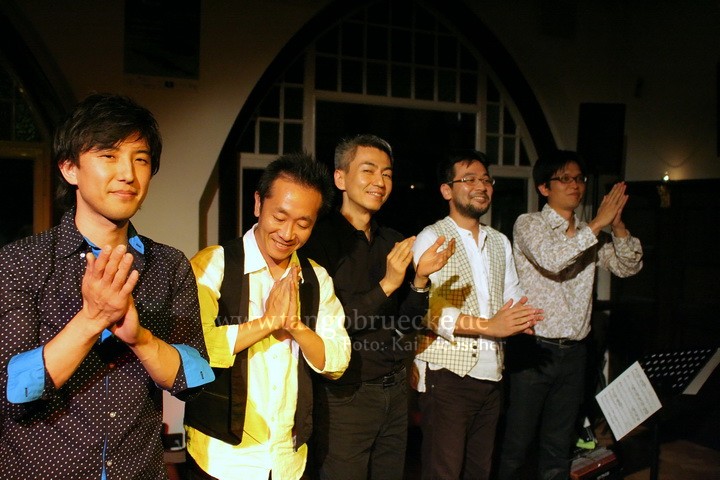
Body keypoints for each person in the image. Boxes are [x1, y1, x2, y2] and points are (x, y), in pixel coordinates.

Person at [0, 93, 214, 479]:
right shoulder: (21, 262)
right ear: (70, 168)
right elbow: (11, 391)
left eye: (141, 159)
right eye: (109, 155)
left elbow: (193, 378)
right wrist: (92, 319)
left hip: (138, 470)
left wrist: (141, 339)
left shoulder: (169, 265)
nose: (128, 174)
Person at [184, 153, 351, 480]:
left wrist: (294, 326)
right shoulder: (214, 264)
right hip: (222, 457)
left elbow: (337, 360)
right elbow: (192, 346)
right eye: (280, 216)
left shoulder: (316, 278)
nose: (288, 233)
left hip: (288, 460)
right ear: (258, 203)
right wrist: (267, 323)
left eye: (303, 224)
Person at [301, 134, 454, 480]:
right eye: (368, 170)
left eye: (387, 174)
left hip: (394, 391)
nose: (380, 182)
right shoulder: (318, 241)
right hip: (344, 395)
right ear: (340, 178)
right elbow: (327, 324)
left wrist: (420, 280)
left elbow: (405, 326)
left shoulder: (393, 241)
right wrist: (387, 284)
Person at [497, 150, 643, 480]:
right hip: (534, 350)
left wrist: (618, 225)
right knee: (517, 444)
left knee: (558, 446)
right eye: (565, 179)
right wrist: (597, 224)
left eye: (579, 179)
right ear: (544, 187)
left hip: (575, 352)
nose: (574, 185)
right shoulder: (529, 224)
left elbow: (628, 266)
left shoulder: (590, 232)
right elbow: (553, 259)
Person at [411, 149, 543, 480]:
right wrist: (489, 326)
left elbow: (511, 294)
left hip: (492, 375)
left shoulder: (499, 241)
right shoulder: (432, 237)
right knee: (443, 472)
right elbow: (429, 312)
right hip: (447, 377)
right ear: (447, 190)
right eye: (469, 179)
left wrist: (521, 319)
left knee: (479, 472)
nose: (481, 186)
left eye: (486, 180)